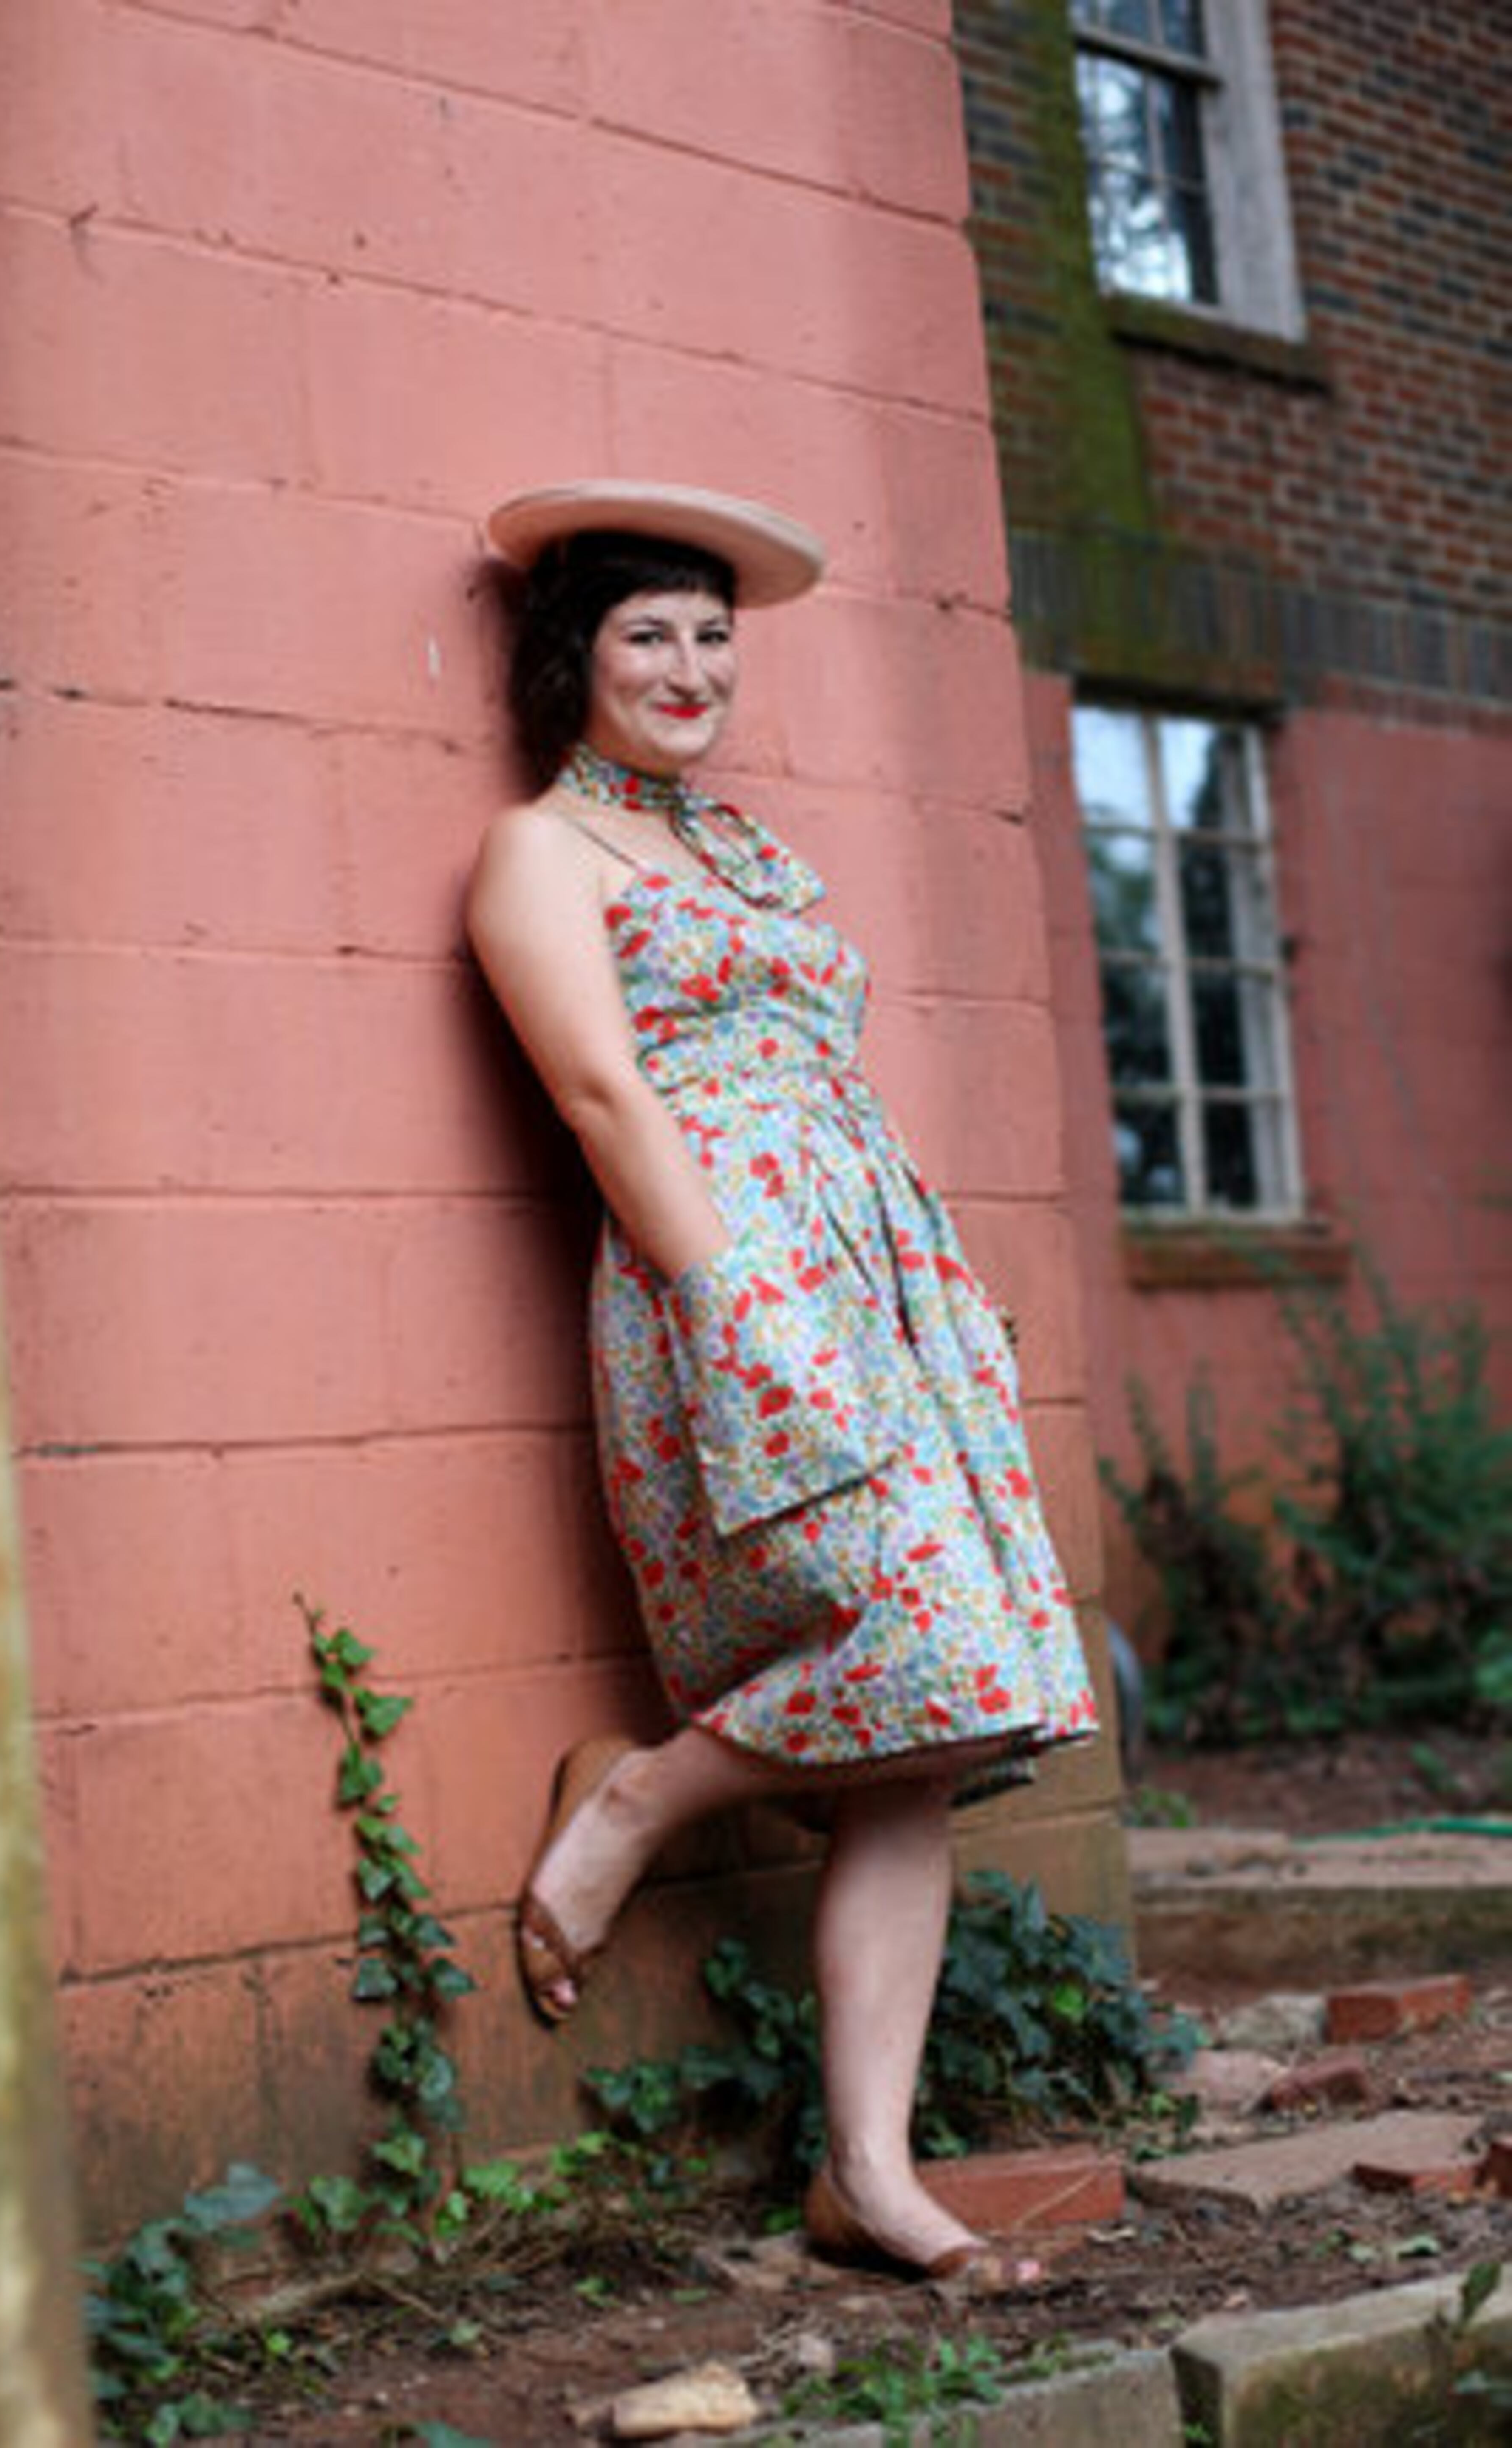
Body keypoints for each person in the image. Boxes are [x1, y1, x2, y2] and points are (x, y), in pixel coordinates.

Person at [467, 481, 1098, 2285]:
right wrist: (742, 1303)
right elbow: (605, 1099)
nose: (690, 667)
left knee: (937, 1727)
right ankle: (643, 1801)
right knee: (927, 1655)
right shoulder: (542, 854)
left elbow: (832, 1080)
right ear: (569, 658)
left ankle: (872, 2177)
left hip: (878, 1290)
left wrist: (926, 1295)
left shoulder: (751, 857)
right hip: (724, 1290)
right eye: (648, 634)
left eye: (714, 636)